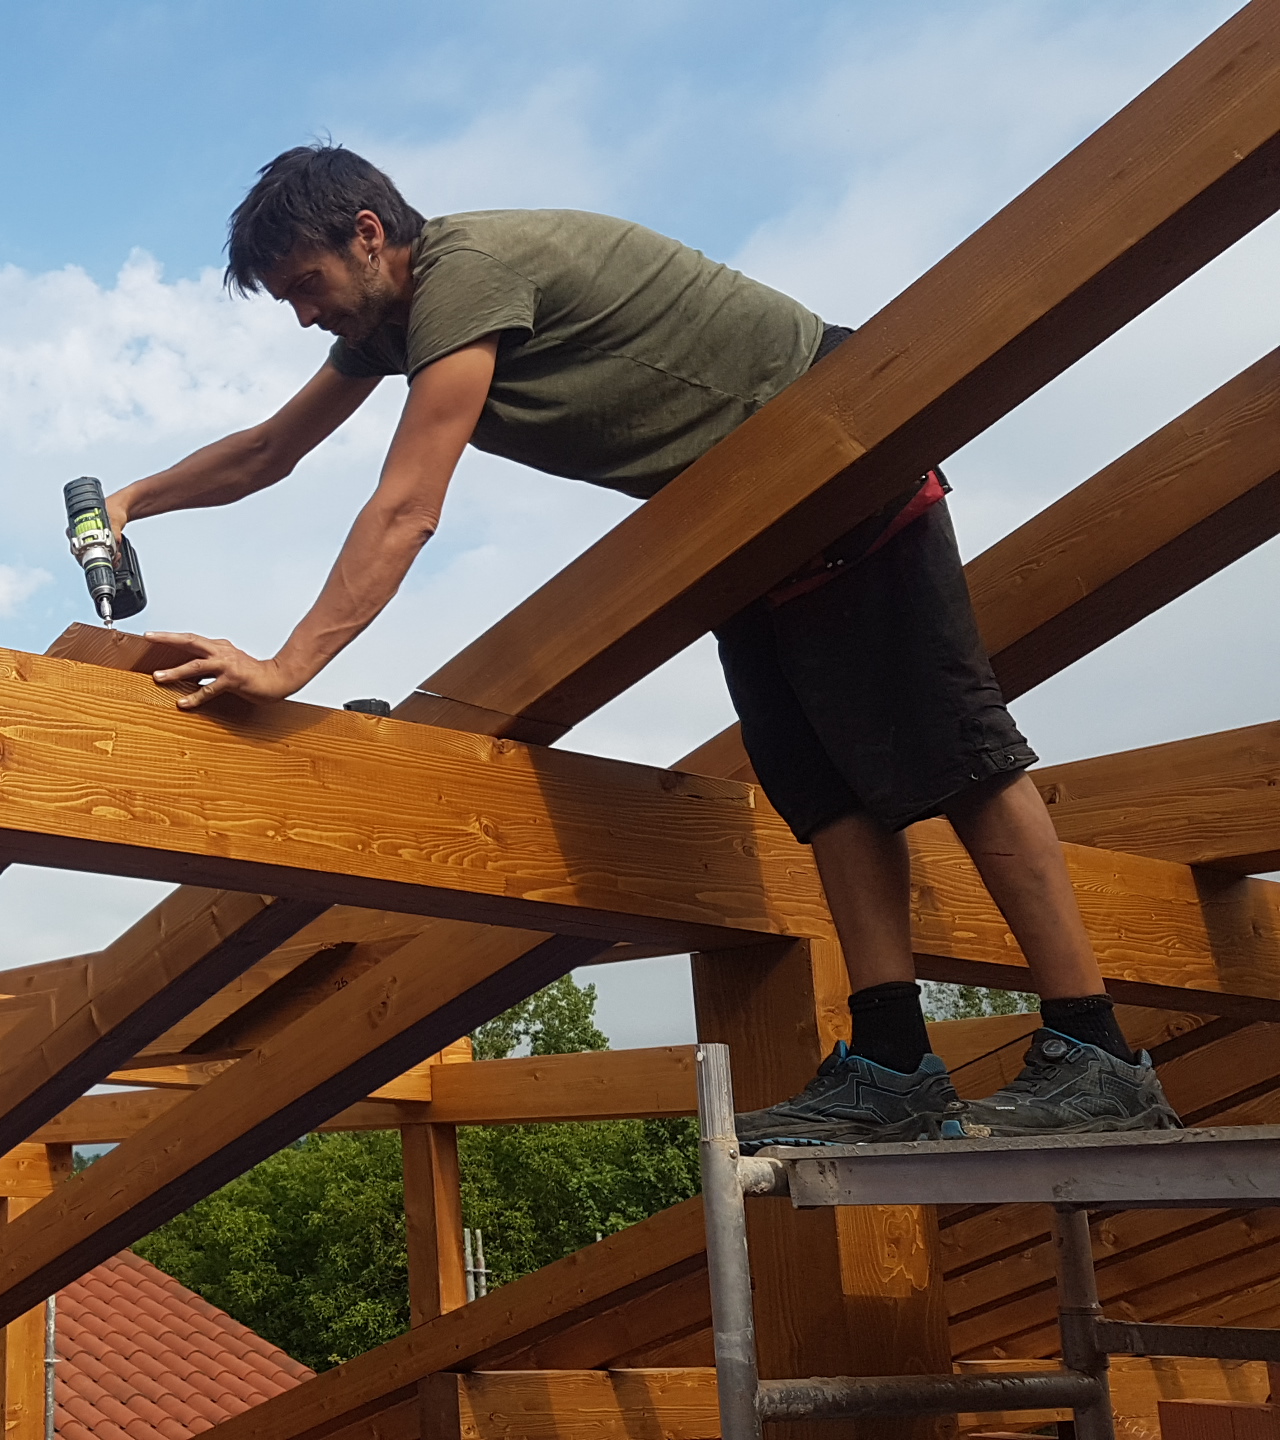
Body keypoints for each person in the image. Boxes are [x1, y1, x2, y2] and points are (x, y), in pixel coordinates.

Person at [107, 144, 1180, 1149]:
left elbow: (407, 505)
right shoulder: (385, 327)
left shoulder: (465, 276)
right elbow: (270, 450)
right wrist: (130, 502)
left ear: (369, 233)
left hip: (830, 447)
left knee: (959, 754)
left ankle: (1097, 1055)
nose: (304, 315)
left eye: (305, 284)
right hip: (734, 521)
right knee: (825, 792)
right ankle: (894, 1062)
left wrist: (287, 667)